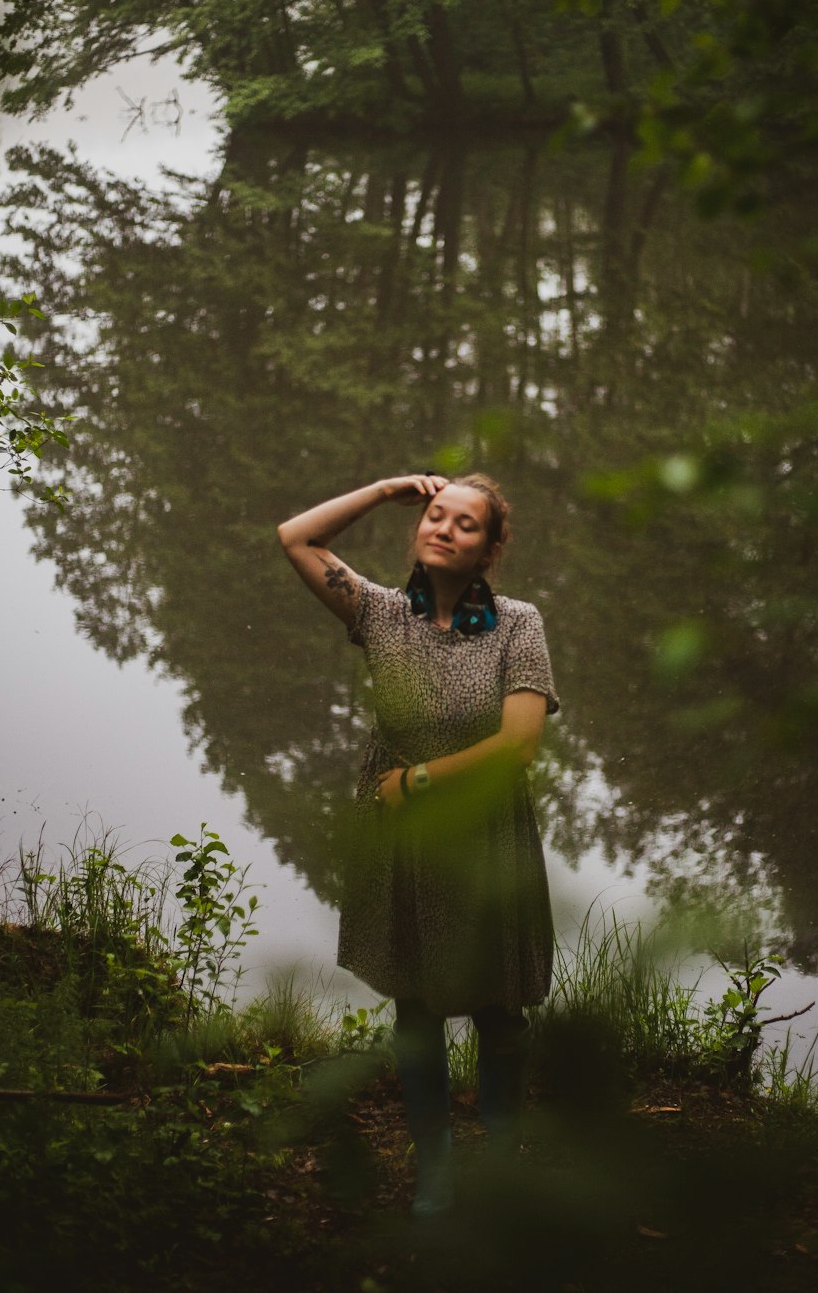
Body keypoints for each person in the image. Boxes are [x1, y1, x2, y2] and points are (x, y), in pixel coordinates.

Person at [277, 472, 558, 1215]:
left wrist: (420, 782)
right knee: (417, 1005)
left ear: (490, 549)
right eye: (435, 515)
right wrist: (380, 491)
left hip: (485, 835)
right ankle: (433, 1163)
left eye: (465, 524)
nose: (443, 528)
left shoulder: (518, 624)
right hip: (402, 844)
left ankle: (501, 1156)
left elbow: (519, 745)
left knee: (499, 1007)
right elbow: (295, 538)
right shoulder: (380, 613)